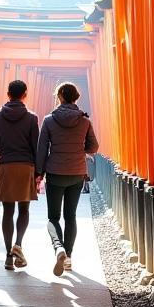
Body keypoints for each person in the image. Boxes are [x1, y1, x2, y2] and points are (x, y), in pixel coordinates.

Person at [36, 82, 99, 276]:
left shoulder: (48, 120)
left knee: (53, 217)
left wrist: (39, 174)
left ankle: (59, 248)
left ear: (60, 96)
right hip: (77, 173)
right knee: (70, 216)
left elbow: (41, 149)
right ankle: (69, 257)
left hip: (55, 173)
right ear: (76, 98)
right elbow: (94, 147)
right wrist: (80, 151)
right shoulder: (85, 121)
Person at [0, 79, 40, 271]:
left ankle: (8, 256)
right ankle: (18, 245)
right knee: (24, 210)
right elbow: (35, 146)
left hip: (5, 165)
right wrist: (39, 172)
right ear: (25, 94)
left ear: (8, 93)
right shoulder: (31, 118)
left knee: (7, 211)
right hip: (25, 165)